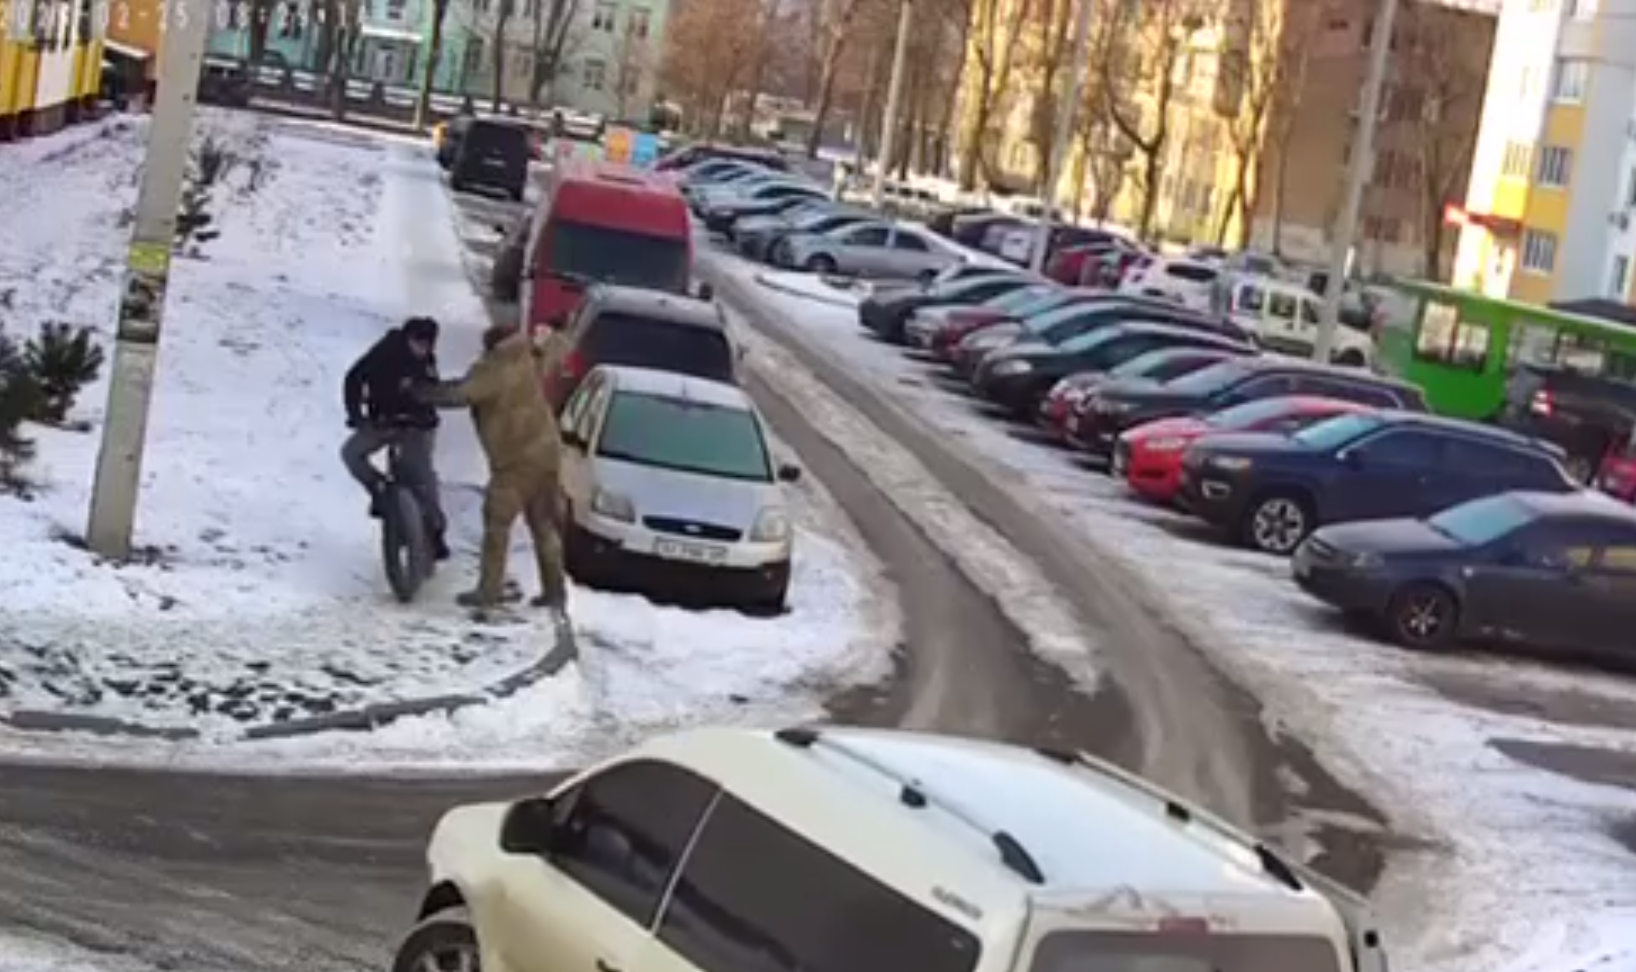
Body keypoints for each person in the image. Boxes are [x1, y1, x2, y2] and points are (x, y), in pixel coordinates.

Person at [427, 323, 567, 614]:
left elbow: (461, 395)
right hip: (547, 452)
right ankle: (555, 592)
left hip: (515, 460)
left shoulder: (494, 368)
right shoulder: (527, 356)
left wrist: (423, 393)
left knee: (497, 521)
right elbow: (556, 350)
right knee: (543, 526)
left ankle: (489, 591)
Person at [340, 316, 450, 561]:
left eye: (428, 346)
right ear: (407, 339)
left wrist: (424, 400)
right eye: (419, 344)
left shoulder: (427, 361)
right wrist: (356, 415)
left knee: (422, 476)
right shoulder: (384, 353)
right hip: (384, 422)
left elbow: (433, 391)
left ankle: (436, 529)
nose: (423, 350)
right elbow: (354, 378)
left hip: (418, 427)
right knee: (351, 453)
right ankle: (378, 489)